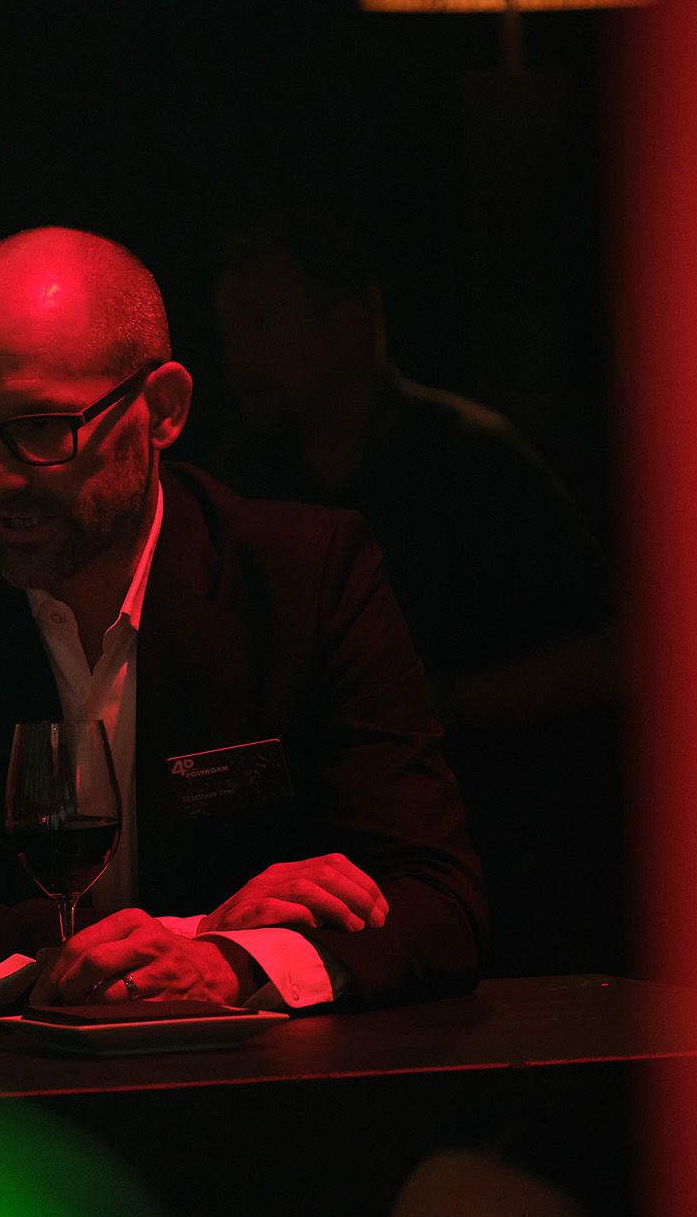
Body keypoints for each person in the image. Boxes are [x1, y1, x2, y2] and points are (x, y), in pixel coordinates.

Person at [0, 228, 487, 1010]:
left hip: (256, 1075)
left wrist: (235, 965)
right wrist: (191, 939)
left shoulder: (303, 575)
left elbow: (438, 902)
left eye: (41, 427)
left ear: (163, 409)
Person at [212, 216, 623, 976]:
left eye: (261, 324)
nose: (239, 357)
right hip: (314, 863)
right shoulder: (245, 476)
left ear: (350, 321)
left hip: (500, 844)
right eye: (230, 331)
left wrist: (450, 702)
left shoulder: (474, 459)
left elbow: (610, 654)